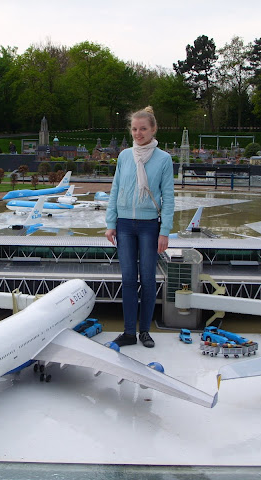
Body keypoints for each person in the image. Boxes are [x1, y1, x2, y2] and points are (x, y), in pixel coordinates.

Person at [104, 106, 174, 348]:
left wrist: (165, 231)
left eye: (143, 129)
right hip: (124, 225)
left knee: (148, 278)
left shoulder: (163, 159)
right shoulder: (125, 156)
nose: (138, 133)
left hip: (148, 226)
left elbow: (168, 197)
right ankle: (128, 333)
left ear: (153, 129)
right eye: (134, 129)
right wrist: (110, 223)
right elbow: (115, 189)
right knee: (128, 279)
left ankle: (144, 331)